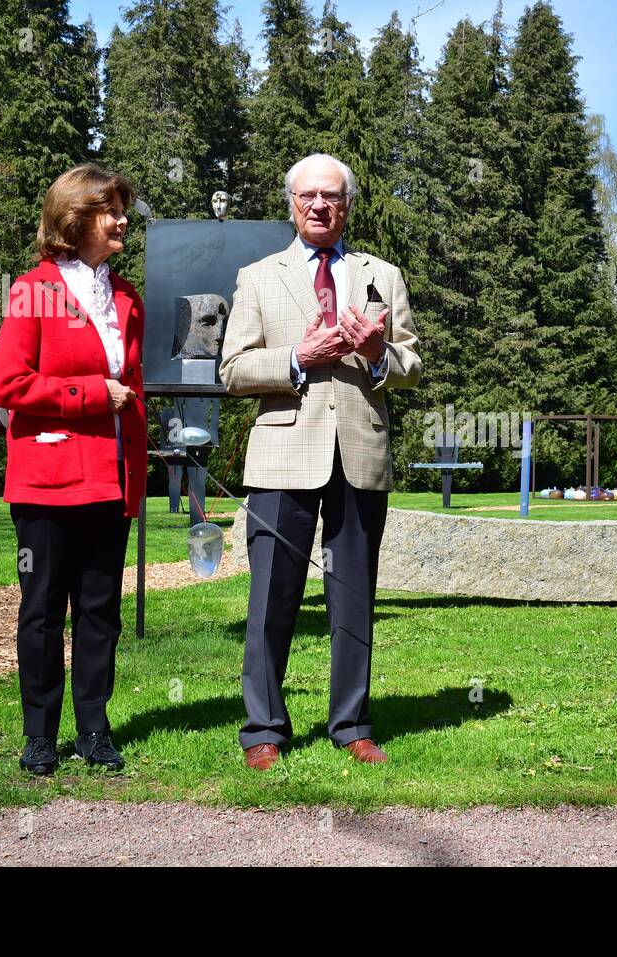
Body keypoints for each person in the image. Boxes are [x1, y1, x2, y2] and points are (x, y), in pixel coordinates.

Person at [220, 153, 422, 771]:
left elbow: (415, 365)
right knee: (271, 599)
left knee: (354, 598)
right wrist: (297, 358)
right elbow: (232, 370)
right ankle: (262, 731)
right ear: (291, 203)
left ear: (348, 205)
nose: (318, 206)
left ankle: (352, 725)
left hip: (359, 456)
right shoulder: (258, 277)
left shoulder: (382, 275)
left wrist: (378, 349)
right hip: (283, 458)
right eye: (307, 196)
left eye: (331, 196)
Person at [0, 164, 147, 775]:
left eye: (122, 208)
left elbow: (129, 391)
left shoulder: (128, 295)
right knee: (42, 610)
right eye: (110, 209)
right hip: (47, 480)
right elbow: (8, 384)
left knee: (100, 611)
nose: (122, 220)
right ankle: (39, 736)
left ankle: (95, 730)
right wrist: (88, 395)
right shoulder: (32, 288)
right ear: (75, 218)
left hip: (109, 477)